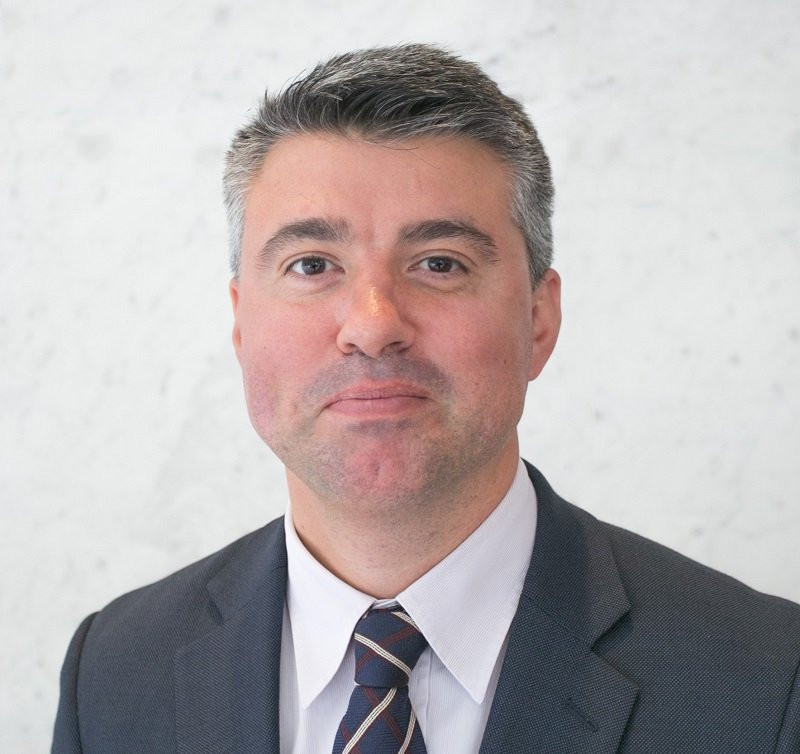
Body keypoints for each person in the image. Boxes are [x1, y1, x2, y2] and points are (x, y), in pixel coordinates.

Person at [52, 44, 800, 754]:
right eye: (312, 264)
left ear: (538, 320)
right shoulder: (114, 674)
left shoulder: (765, 683)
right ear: (241, 321)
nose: (373, 325)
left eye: (439, 263)